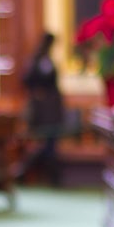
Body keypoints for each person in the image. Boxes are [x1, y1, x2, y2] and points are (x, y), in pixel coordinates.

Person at [21, 32, 65, 184]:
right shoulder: (40, 61)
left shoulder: (44, 60)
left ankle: (52, 177)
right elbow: (27, 80)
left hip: (51, 109)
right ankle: (27, 171)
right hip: (45, 110)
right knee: (46, 144)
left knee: (50, 144)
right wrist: (39, 92)